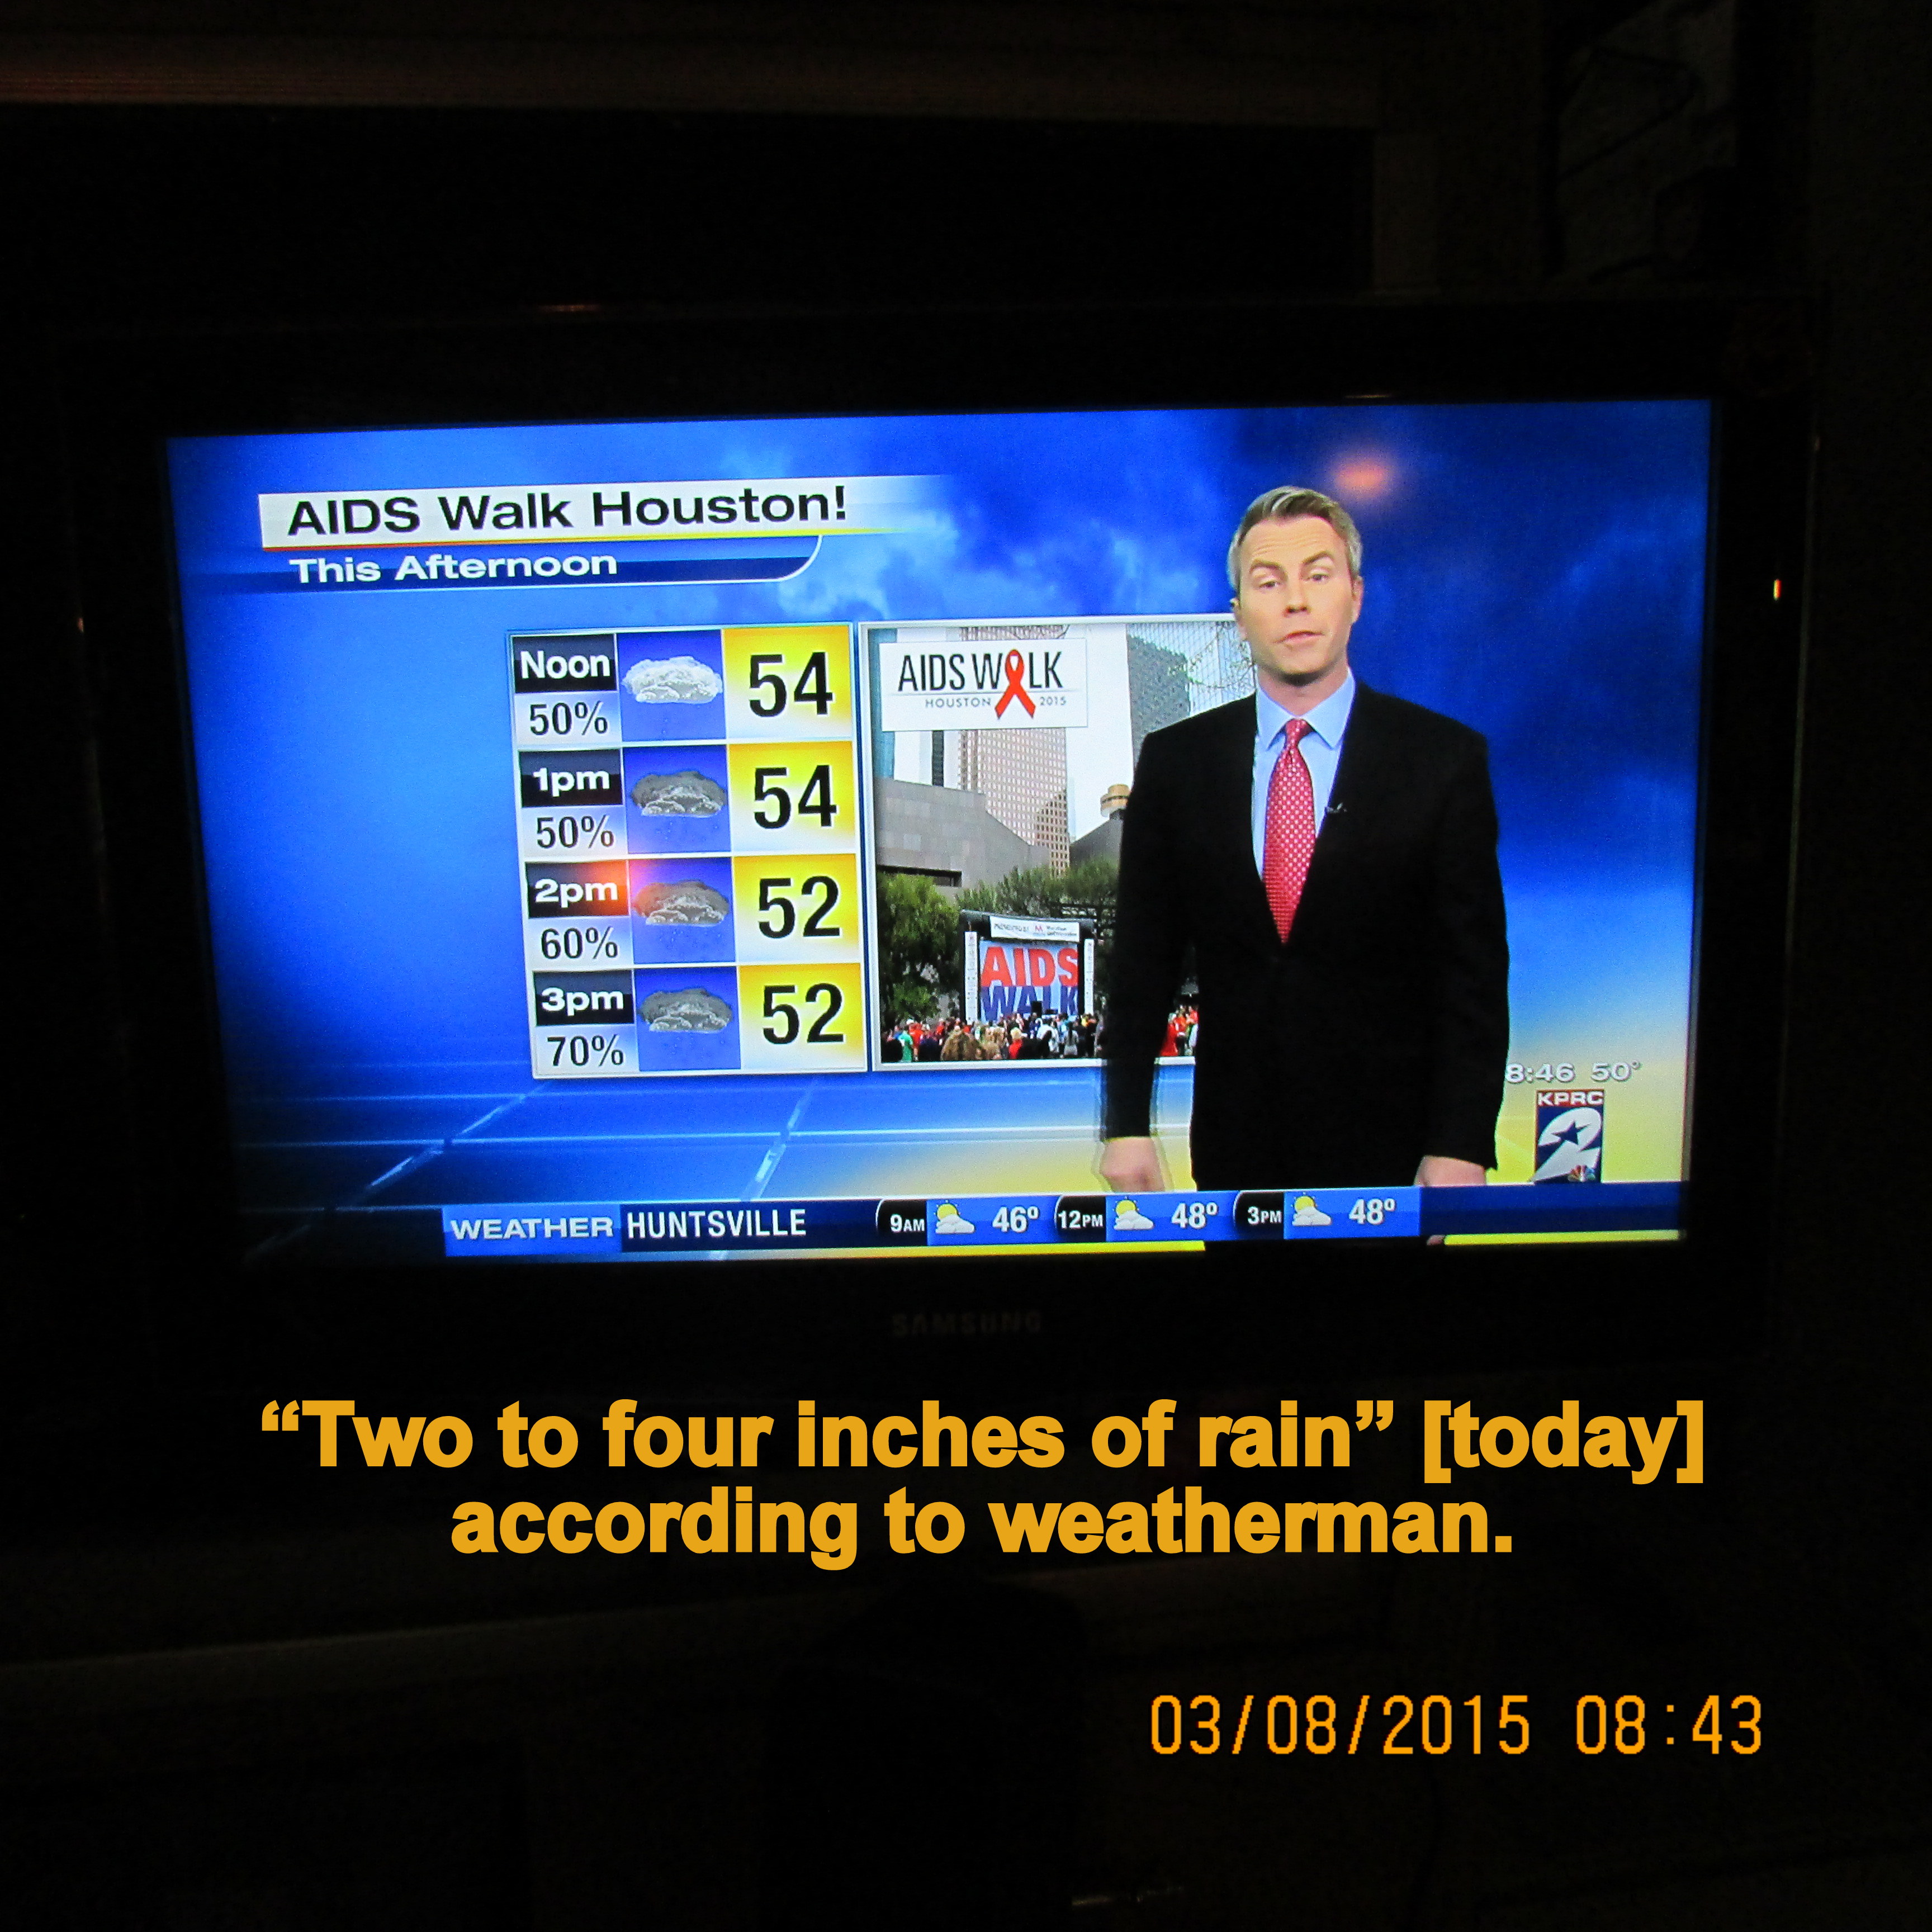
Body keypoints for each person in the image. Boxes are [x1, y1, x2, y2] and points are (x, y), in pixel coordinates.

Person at [1100, 485, 1508, 1192]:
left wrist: (1461, 1142)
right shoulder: (1177, 763)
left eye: (1318, 576)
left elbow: (1472, 974)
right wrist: (1126, 1124)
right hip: (1237, 1152)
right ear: (1238, 616)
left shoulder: (1443, 759)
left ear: (1355, 595)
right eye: (1269, 582)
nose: (1296, 601)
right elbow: (1142, 962)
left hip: (1397, 1154)